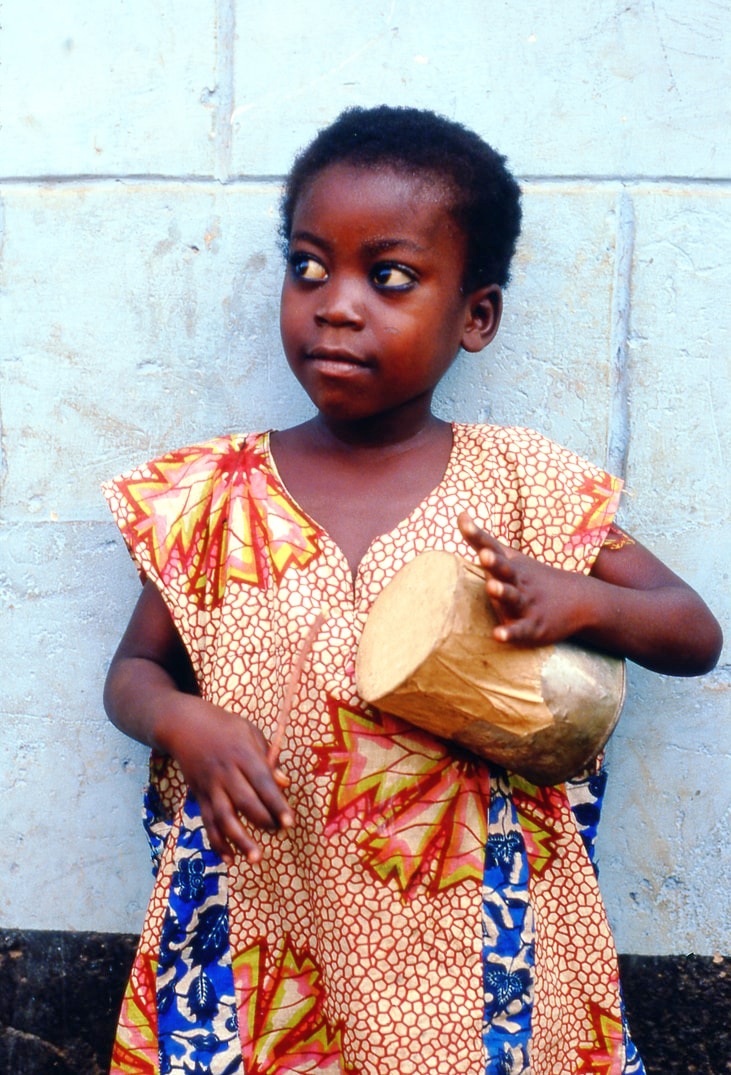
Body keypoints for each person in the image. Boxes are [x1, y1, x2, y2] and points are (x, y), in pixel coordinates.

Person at [102, 105, 722, 1075]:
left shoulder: (523, 483)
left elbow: (690, 632)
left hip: (477, 936)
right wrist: (184, 722)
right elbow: (135, 668)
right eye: (309, 265)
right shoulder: (210, 494)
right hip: (268, 918)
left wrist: (578, 599)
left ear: (475, 316)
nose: (334, 303)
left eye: (387, 276)